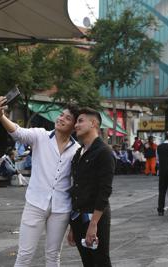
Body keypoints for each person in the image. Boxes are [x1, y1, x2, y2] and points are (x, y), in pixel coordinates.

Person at [0, 96, 80, 267]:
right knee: (25, 254)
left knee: (53, 255)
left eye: (67, 118)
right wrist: (1, 115)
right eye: (61, 115)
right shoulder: (40, 136)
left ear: (74, 126)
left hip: (61, 208)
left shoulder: (77, 150)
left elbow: (77, 183)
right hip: (35, 204)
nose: (61, 118)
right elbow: (17, 132)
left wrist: (75, 222)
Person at [67, 108, 115, 267]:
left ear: (93, 123)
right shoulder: (79, 152)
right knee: (87, 262)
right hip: (78, 218)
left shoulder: (104, 152)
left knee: (100, 262)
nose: (76, 125)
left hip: (96, 218)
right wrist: (73, 226)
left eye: (80, 121)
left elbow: (105, 191)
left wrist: (93, 224)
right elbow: (77, 187)